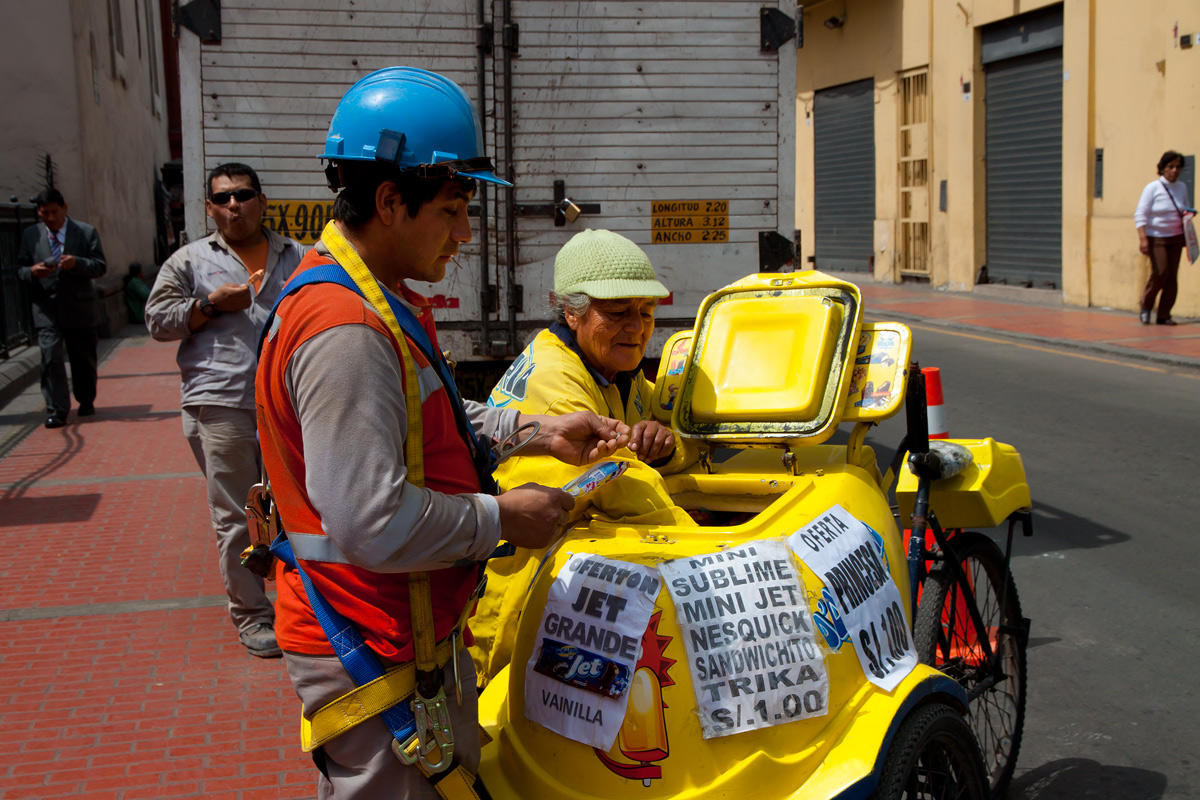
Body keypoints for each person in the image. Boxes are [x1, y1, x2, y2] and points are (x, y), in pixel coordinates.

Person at [254, 66, 631, 798]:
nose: (465, 234)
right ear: (390, 202)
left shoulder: (373, 298)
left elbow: (429, 418)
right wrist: (502, 518)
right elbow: (371, 520)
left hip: (398, 626)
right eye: (453, 210)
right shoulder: (346, 330)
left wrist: (539, 431)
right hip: (371, 639)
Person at [471, 228, 697, 686]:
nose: (637, 327)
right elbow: (623, 483)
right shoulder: (558, 381)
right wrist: (710, 557)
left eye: (646, 311)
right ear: (571, 313)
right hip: (518, 604)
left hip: (556, 590)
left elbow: (669, 428)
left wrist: (668, 444)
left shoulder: (614, 371)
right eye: (617, 313)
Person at [146, 163, 306, 658]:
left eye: (243, 194)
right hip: (221, 402)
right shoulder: (189, 260)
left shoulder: (298, 256)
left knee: (299, 506)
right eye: (223, 198)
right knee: (238, 515)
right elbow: (156, 320)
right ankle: (253, 616)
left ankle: (305, 606)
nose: (234, 205)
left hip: (287, 401)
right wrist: (210, 306)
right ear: (210, 208)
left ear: (262, 201)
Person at [16, 188, 107, 428]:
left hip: (79, 307)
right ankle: (57, 410)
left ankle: (86, 400)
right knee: (50, 357)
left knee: (83, 359)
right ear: (39, 212)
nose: (50, 218)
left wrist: (77, 263)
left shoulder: (85, 232)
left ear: (64, 208)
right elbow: (19, 269)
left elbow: (100, 266)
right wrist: (32, 272)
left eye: (54, 212)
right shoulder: (30, 235)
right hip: (46, 309)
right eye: (45, 213)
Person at [1135, 150, 1191, 325]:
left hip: (1176, 237)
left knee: (1172, 277)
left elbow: (1184, 207)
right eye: (1170, 167)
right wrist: (1143, 238)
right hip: (1156, 237)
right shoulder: (1152, 188)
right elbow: (1140, 214)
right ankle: (1146, 306)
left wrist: (1188, 214)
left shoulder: (1182, 187)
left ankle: (1164, 315)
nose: (1174, 171)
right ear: (1162, 168)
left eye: (1178, 167)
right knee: (1160, 272)